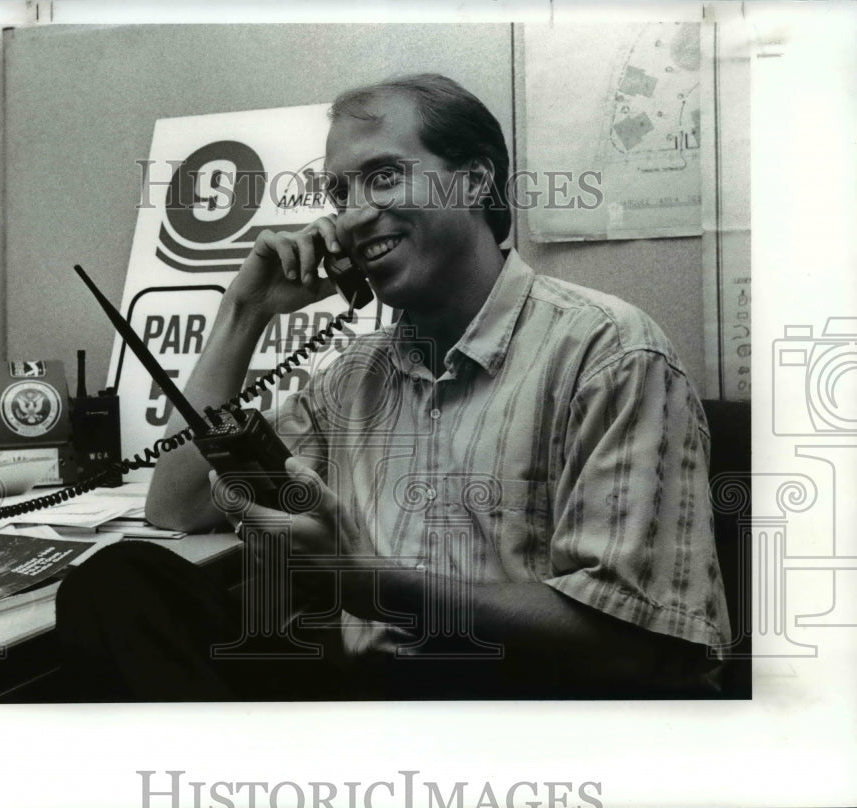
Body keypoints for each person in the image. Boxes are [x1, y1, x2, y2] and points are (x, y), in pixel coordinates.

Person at [56, 73, 731, 701]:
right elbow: (175, 505)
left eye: (383, 176)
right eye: (339, 193)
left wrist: (363, 581)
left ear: (474, 181)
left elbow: (637, 644)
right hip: (361, 693)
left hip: (519, 712)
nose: (350, 216)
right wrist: (245, 313)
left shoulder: (607, 353)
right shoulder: (357, 373)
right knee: (117, 585)